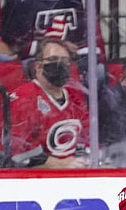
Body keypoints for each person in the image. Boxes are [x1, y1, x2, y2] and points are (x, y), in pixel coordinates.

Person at [7, 38, 89, 168]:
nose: (60, 65)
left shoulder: (75, 97)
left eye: (65, 61)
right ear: (38, 66)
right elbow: (20, 152)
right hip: (38, 179)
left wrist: (84, 161)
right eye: (53, 59)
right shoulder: (22, 98)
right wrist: (60, 164)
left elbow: (87, 138)